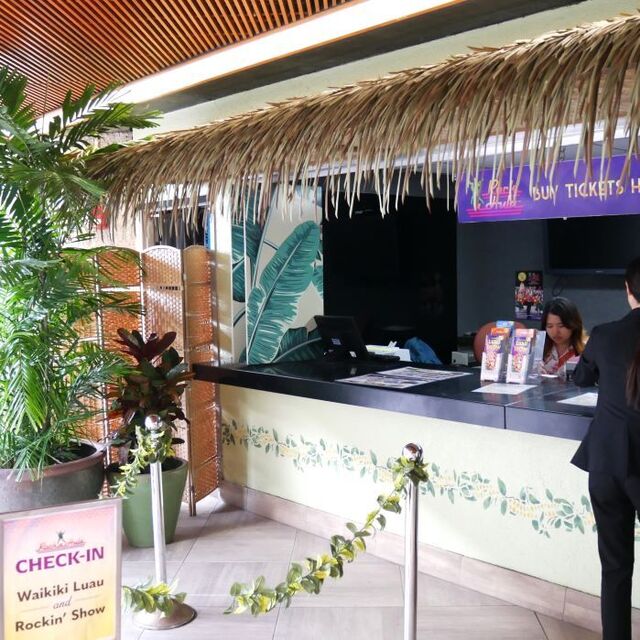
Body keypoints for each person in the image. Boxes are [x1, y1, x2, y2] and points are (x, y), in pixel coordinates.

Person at [572, 256, 640, 640]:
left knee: (615, 568)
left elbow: (582, 377)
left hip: (606, 464)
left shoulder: (604, 334)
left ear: (628, 290)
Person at [539, 297, 586, 375]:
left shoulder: (587, 351)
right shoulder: (538, 349)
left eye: (561, 326)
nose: (555, 332)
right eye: (550, 326)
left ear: (573, 324)